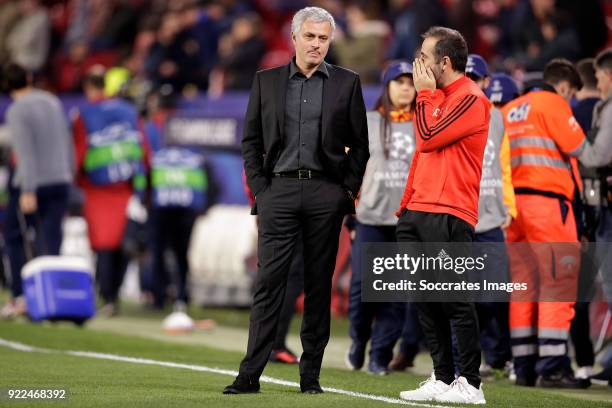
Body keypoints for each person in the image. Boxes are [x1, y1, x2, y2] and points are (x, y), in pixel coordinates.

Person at [224, 6, 369, 395]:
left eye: (323, 38)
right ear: (294, 38)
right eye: (310, 37)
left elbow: (360, 148)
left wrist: (344, 194)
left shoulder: (347, 82)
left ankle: (311, 378)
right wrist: (263, 191)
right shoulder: (266, 81)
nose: (317, 44)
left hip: (326, 194)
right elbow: (251, 142)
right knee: (268, 283)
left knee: (318, 287)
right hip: (279, 193)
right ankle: (249, 375)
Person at [396, 27, 489, 405]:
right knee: (424, 297)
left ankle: (470, 383)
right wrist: (406, 204)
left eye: (424, 55)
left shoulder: (471, 97)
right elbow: (423, 155)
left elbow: (428, 136)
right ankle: (442, 375)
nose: (418, 62)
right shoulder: (436, 97)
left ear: (444, 62)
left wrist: (424, 94)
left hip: (449, 211)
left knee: (455, 298)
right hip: (419, 209)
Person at [503, 59, 587, 388]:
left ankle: (523, 366)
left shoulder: (508, 110)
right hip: (548, 205)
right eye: (571, 96)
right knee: (558, 282)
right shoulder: (552, 103)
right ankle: (551, 367)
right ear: (563, 87)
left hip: (514, 209)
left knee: (523, 287)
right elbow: (583, 150)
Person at [345, 60, 420, 376]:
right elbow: (351, 171)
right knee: (363, 292)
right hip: (370, 219)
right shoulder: (367, 122)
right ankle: (358, 339)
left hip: (406, 223)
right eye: (399, 82)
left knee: (397, 296)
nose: (405, 87)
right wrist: (349, 214)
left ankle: (379, 355)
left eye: (410, 82)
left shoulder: (425, 124)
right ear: (387, 87)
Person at [72, 65, 148, 317]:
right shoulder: (129, 111)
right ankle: (112, 295)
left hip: (98, 189)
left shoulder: (83, 114)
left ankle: (106, 296)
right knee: (122, 241)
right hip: (126, 186)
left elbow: (79, 152)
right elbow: (143, 147)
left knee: (103, 242)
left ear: (88, 87)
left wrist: (76, 179)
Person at [0, 63, 73, 319]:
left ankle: (22, 297)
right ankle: (50, 300)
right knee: (51, 241)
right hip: (60, 180)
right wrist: (68, 173)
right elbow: (67, 140)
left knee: (14, 236)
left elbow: (25, 153)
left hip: (33, 183)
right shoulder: (52, 101)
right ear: (30, 78)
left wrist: (27, 190)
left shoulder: (17, 110)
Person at [466, 54, 516, 378]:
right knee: (465, 295)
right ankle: (474, 357)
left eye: (476, 78)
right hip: (462, 215)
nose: (471, 83)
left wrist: (508, 205)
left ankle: (500, 353)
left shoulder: (496, 117)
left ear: (486, 82)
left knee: (496, 294)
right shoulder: (449, 111)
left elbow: (503, 164)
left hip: (491, 216)